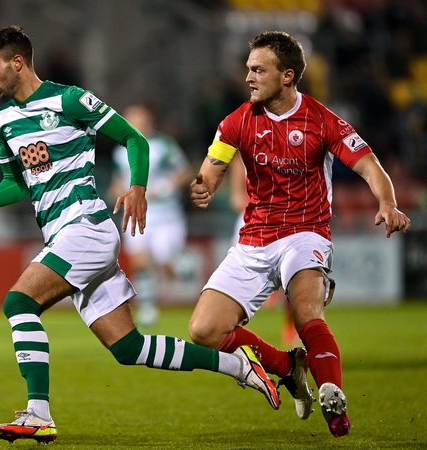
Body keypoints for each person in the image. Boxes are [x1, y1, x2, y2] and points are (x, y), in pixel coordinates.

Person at [0, 25, 281, 444]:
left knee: (18, 302)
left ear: (17, 63)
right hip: (63, 236)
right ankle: (240, 366)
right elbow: (18, 183)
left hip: (86, 228)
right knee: (128, 348)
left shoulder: (70, 100)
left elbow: (134, 139)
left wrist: (138, 187)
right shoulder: (3, 121)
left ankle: (37, 412)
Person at [188, 30, 411, 438]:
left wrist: (387, 202)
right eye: (248, 69)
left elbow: (369, 165)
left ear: (287, 76)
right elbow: (211, 170)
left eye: (259, 70)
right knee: (203, 329)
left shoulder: (322, 120)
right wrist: (203, 187)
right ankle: (288, 366)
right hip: (254, 238)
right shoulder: (236, 121)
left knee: (307, 312)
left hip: (305, 232)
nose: (249, 77)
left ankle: (332, 396)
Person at [109, 103, 191, 327]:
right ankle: (147, 308)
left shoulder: (164, 145)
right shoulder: (121, 150)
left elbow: (185, 172)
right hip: (135, 214)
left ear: (149, 121)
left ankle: (184, 268)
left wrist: (164, 188)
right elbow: (117, 181)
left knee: (166, 264)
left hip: (165, 216)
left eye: (140, 119)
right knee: (139, 261)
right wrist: (118, 191)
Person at [228, 158, 297, 347]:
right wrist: (242, 196)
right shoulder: (244, 152)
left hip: (283, 216)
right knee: (237, 273)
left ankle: (291, 322)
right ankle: (230, 330)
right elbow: (236, 196)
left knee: (291, 276)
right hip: (252, 217)